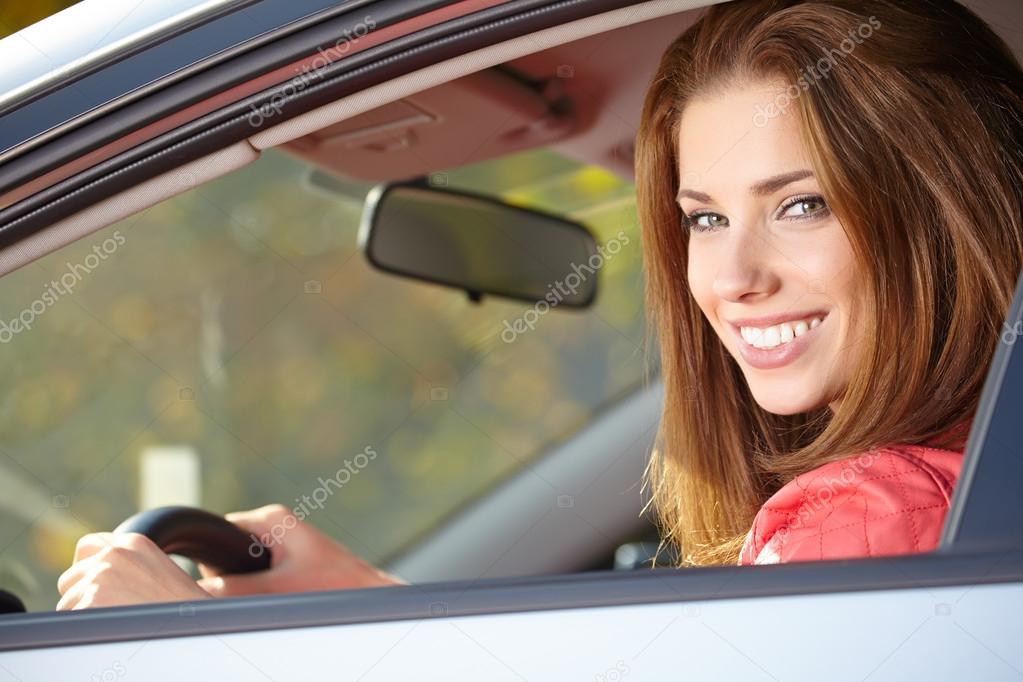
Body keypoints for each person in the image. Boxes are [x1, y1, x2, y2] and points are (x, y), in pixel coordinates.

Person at [56, 0, 1023, 609]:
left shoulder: (866, 519)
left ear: (941, 213)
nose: (732, 280)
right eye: (704, 219)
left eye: (800, 205)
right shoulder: (944, 497)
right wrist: (363, 597)